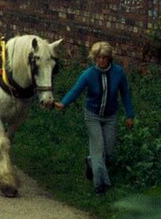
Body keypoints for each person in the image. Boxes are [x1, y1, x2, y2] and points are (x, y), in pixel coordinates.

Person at [55, 41, 136, 196]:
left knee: (108, 151)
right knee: (98, 149)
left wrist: (129, 115)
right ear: (94, 58)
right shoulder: (88, 74)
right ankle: (100, 186)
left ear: (109, 58)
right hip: (92, 116)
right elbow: (75, 90)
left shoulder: (118, 73)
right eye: (98, 58)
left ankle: (90, 161)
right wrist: (63, 103)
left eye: (104, 58)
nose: (101, 61)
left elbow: (125, 94)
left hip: (110, 116)